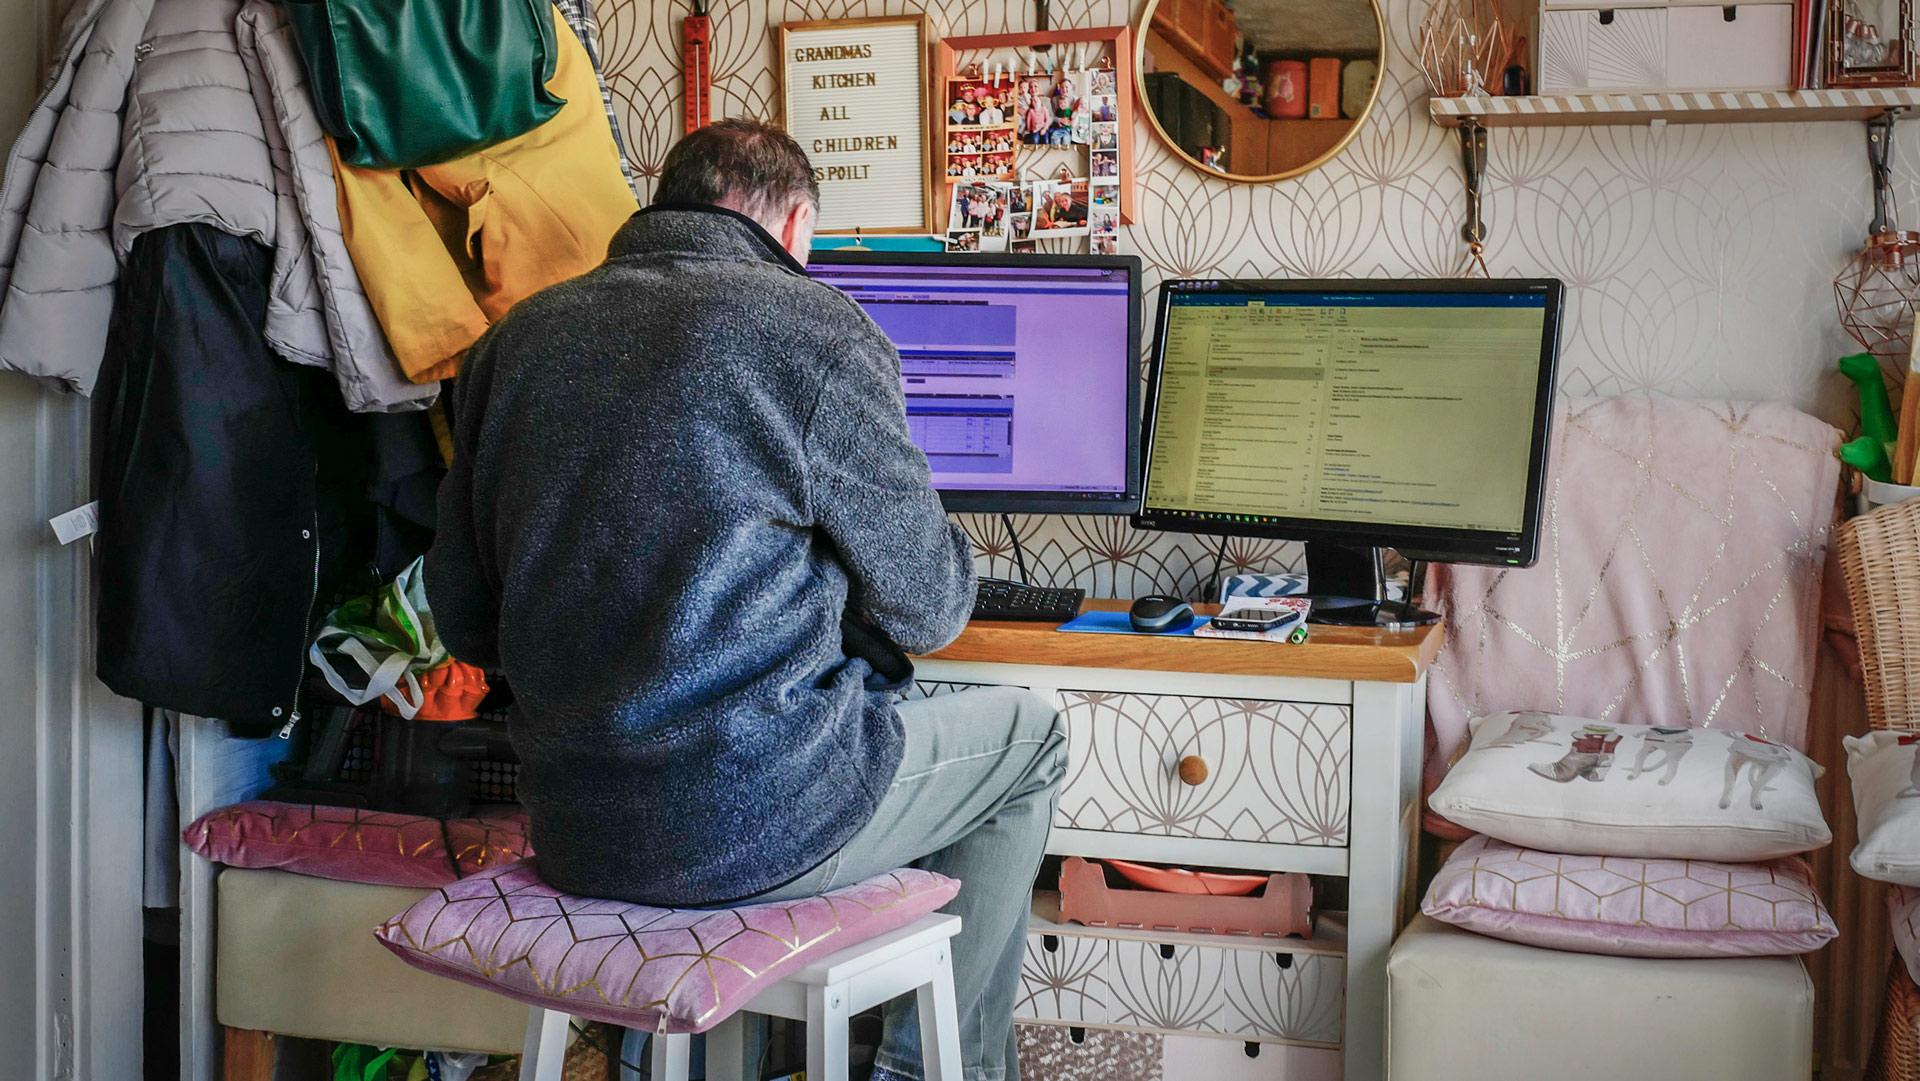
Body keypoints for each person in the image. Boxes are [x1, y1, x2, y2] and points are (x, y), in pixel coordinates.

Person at [425, 118, 1066, 1081]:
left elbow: (470, 624)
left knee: (830, 717)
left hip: (578, 831)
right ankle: (936, 1071)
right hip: (754, 824)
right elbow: (931, 612)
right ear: (796, 226)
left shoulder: (513, 347)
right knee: (1032, 738)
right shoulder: (817, 332)